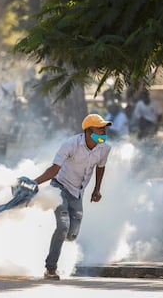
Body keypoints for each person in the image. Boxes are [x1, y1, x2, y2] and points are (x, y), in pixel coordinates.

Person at [30, 114, 112, 280]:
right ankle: (50, 268)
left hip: (77, 193)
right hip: (59, 188)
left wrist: (97, 189)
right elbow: (54, 170)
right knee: (63, 226)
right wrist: (34, 183)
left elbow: (100, 167)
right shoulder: (71, 145)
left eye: (104, 128)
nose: (103, 131)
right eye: (100, 128)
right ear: (89, 131)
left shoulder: (105, 148)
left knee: (71, 235)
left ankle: (57, 240)